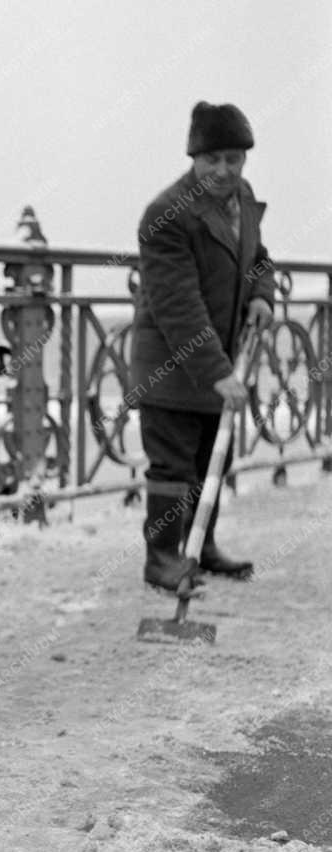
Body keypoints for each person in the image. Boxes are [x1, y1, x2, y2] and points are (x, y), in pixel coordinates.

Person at [132, 100, 275, 591]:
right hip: (172, 369)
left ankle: (202, 546)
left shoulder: (244, 198)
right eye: (212, 159)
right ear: (193, 158)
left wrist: (260, 295)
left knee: (211, 461)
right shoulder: (166, 215)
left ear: (244, 160)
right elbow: (178, 305)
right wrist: (218, 373)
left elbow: (259, 258)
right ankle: (162, 560)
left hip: (222, 362)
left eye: (233, 159)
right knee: (172, 466)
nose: (223, 170)